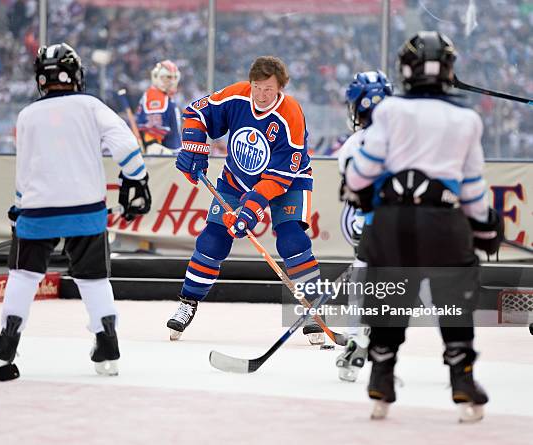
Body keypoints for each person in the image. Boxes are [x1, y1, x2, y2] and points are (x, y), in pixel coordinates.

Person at [344, 31, 503, 422]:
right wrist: (485, 228)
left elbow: (362, 174)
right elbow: (471, 188)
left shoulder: (390, 112)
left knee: (389, 297)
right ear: (449, 69)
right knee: (455, 297)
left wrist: (355, 187)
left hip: (392, 222)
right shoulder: (467, 118)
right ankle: (462, 379)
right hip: (444, 225)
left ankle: (381, 376)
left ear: (405, 70)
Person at [0, 43, 151, 376]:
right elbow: (125, 145)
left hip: (37, 211)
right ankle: (108, 345)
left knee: (23, 275)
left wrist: (19, 207)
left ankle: (6, 345)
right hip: (86, 209)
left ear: (41, 78)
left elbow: (24, 170)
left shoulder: (26, 115)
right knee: (93, 279)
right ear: (76, 75)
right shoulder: (91, 105)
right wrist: (135, 179)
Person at [167, 56, 325, 345]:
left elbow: (278, 179)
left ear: (280, 88)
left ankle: (315, 310)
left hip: (289, 182)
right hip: (237, 178)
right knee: (212, 239)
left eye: (268, 89)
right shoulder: (237, 94)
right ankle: (187, 302)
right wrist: (193, 146)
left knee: (292, 240)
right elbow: (196, 113)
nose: (261, 95)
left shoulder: (290, 115)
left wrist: (250, 210)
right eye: (257, 87)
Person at [335, 70, 393, 382]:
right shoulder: (411, 136)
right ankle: (457, 357)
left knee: (363, 275)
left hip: (373, 227)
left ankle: (355, 341)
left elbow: (353, 197)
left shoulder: (352, 146)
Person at [135, 60, 182, 154]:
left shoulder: (162, 96)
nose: (172, 81)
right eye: (168, 77)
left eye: (174, 77)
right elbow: (151, 136)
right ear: (157, 77)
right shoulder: (156, 97)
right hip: (164, 157)